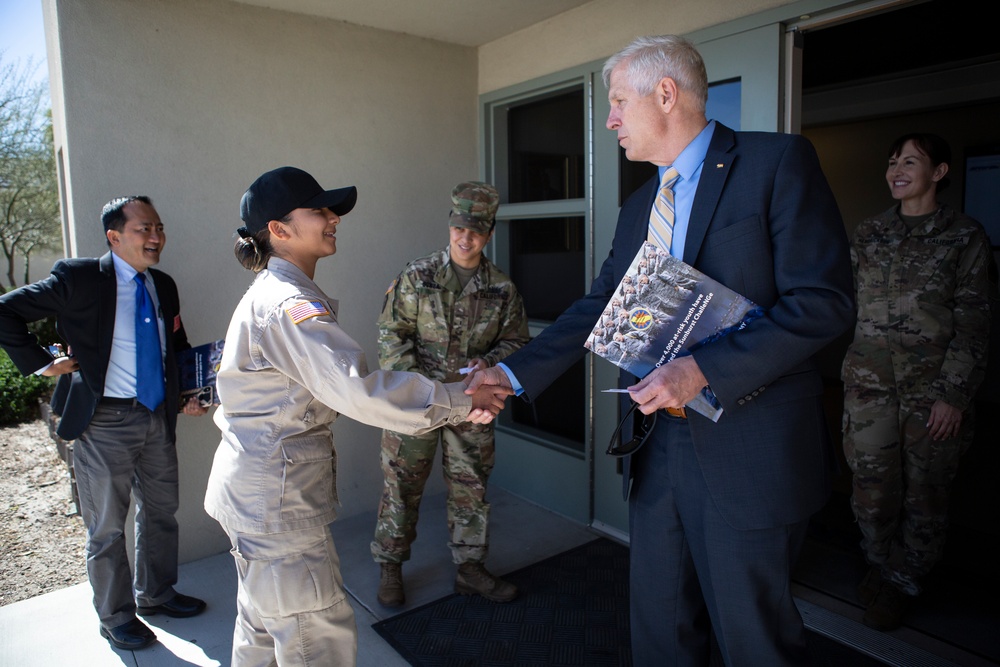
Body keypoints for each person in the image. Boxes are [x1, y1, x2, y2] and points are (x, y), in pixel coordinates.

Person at [467, 35, 855, 665]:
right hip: (658, 445)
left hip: (747, 444)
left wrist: (702, 369)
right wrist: (512, 374)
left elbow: (824, 302)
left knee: (754, 640)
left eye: (618, 101)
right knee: (661, 629)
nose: (611, 119)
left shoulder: (776, 163)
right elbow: (601, 305)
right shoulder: (640, 203)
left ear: (665, 93)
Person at [203, 166, 510, 666]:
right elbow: (357, 390)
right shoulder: (287, 305)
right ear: (278, 229)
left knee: (263, 633)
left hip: (261, 497)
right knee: (313, 641)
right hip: (276, 504)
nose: (332, 219)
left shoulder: (277, 295)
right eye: (319, 211)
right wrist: (460, 399)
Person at [0, 196, 208, 651]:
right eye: (144, 229)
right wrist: (41, 364)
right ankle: (115, 617)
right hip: (105, 420)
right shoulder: (77, 278)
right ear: (114, 236)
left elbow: (176, 341)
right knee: (107, 527)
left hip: (157, 415)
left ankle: (156, 593)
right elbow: (5, 309)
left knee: (161, 513)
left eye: (159, 227)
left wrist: (187, 393)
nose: (155, 237)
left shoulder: (163, 284)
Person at [841, 133, 993, 631]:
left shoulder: (964, 237)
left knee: (925, 495)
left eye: (911, 161)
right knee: (871, 489)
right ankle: (883, 565)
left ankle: (903, 582)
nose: (896, 171)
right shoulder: (869, 234)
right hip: (869, 389)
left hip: (933, 394)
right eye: (892, 162)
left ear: (940, 173)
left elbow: (975, 323)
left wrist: (953, 397)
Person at [371, 181, 529, 607]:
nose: (466, 238)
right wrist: (416, 387)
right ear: (450, 225)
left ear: (489, 233)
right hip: (416, 404)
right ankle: (390, 566)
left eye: (476, 231)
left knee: (470, 487)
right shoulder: (417, 276)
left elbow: (517, 341)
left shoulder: (501, 288)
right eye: (460, 228)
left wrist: (491, 364)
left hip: (470, 404)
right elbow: (391, 333)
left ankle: (471, 570)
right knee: (401, 485)